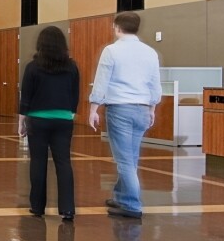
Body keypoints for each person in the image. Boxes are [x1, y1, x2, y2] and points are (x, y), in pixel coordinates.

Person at [89, 12, 162, 219]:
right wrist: (152, 107)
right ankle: (122, 195)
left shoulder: (111, 51)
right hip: (141, 108)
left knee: (124, 160)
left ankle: (132, 204)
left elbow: (102, 81)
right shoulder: (150, 53)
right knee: (131, 157)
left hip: (120, 108)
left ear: (116, 27)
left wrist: (94, 108)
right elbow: (154, 84)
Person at [18, 26, 80, 221]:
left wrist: (21, 121)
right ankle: (68, 209)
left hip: (38, 120)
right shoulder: (71, 67)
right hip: (63, 119)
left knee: (38, 161)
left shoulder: (32, 67)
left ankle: (37, 207)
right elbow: (74, 94)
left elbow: (26, 97)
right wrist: (70, 113)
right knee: (63, 162)